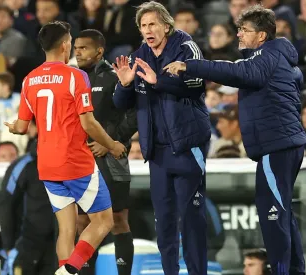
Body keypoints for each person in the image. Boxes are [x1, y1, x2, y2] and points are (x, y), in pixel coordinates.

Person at [165, 4, 306, 275]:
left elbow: (239, 72)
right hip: (283, 144)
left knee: (273, 216)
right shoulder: (278, 58)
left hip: (276, 145)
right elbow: (290, 79)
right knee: (283, 213)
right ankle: (294, 270)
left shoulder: (266, 56)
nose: (239, 34)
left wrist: (190, 66)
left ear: (262, 36)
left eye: (244, 30)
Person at [3, 21, 127, 275]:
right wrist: (112, 145)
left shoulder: (29, 80)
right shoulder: (76, 76)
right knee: (104, 221)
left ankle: (65, 269)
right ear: (65, 45)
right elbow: (89, 123)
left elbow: (23, 126)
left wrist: (13, 127)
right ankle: (70, 269)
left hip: (47, 165)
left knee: (67, 230)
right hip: (75, 162)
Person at [112, 2, 211, 274]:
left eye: (152, 24)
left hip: (188, 147)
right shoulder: (138, 56)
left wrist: (159, 82)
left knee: (192, 220)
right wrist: (124, 84)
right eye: (143, 26)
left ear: (166, 26)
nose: (147, 30)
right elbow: (122, 104)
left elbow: (197, 84)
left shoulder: (185, 47)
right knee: (164, 222)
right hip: (157, 152)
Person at [74, 29, 137, 275]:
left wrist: (110, 142)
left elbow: (133, 115)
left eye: (84, 48)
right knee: (82, 222)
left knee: (118, 220)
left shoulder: (113, 77)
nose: (77, 52)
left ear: (99, 51)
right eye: (75, 47)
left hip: (112, 159)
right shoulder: (73, 79)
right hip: (82, 160)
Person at [0, 139, 57, 275]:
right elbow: (5, 204)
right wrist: (9, 245)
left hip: (57, 245)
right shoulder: (23, 165)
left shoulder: (70, 161)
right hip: (26, 244)